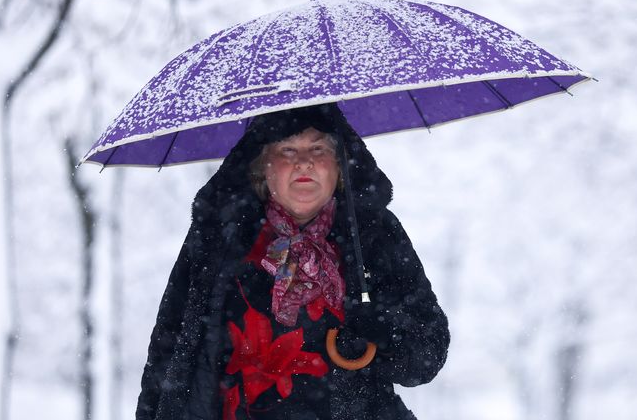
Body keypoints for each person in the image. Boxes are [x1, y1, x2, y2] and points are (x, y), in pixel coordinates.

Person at [136, 103, 450, 420]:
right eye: (287, 149)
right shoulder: (220, 238)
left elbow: (426, 356)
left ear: (340, 166)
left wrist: (381, 328)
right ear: (262, 167)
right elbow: (171, 350)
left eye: (318, 148)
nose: (304, 163)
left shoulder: (374, 234)